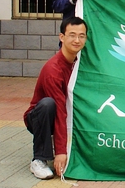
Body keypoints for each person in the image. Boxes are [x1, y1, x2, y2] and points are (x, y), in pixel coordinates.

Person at [23, 17, 88, 179]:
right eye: (72, 35)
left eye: (81, 36)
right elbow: (59, 110)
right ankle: (39, 159)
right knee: (48, 104)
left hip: (67, 114)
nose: (77, 40)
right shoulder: (53, 70)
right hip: (42, 117)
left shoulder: (81, 63)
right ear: (62, 37)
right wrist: (60, 152)